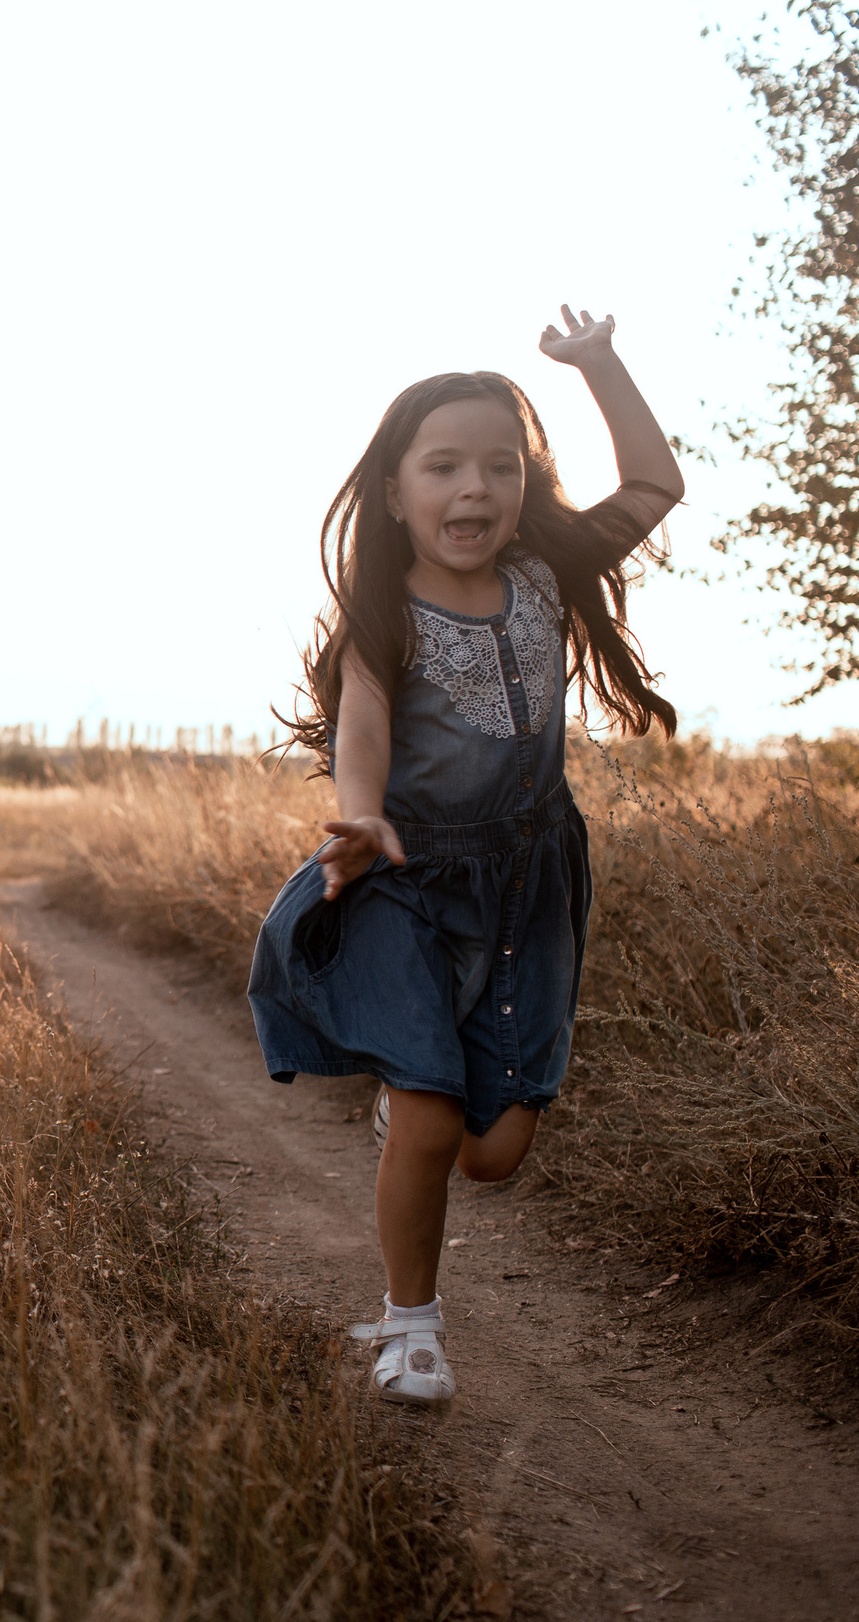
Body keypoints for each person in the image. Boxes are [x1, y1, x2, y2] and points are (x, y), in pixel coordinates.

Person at [249, 308, 682, 1404]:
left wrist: (599, 365)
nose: (473, 488)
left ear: (528, 484)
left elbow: (652, 488)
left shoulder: (543, 573)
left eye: (500, 464)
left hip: (526, 888)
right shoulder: (380, 619)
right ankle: (410, 1330)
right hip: (400, 877)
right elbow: (362, 731)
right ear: (395, 492)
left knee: (489, 1155)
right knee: (437, 1118)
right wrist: (359, 816)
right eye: (442, 466)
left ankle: (414, 1108)